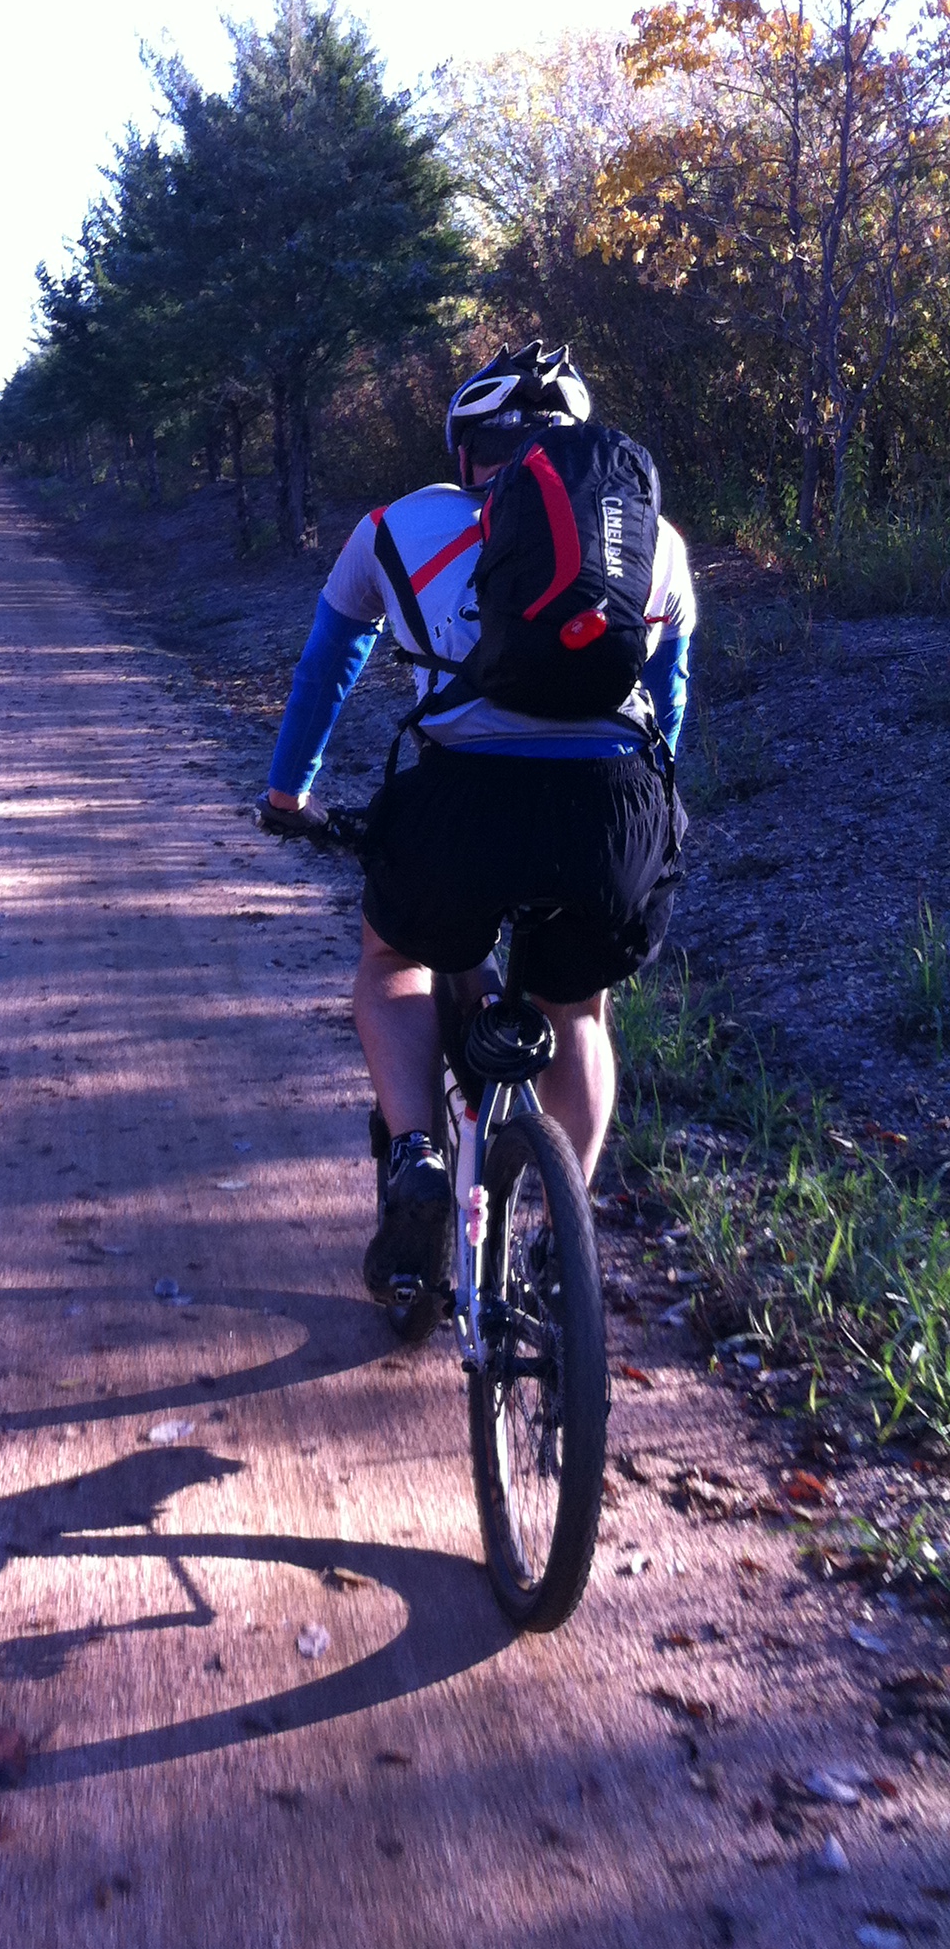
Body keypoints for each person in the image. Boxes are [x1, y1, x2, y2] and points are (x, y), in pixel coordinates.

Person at [256, 340, 694, 1301]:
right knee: (579, 1008)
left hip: (463, 806)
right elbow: (668, 703)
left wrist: (290, 796)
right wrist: (658, 815)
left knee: (394, 961)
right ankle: (563, 1239)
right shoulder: (651, 540)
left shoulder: (396, 526)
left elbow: (327, 668)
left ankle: (415, 1151)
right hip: (613, 812)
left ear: (467, 450)